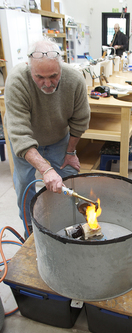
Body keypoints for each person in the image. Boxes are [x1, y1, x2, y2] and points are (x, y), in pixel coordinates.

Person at [4, 37, 90, 233]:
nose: (47, 83)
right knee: (25, 183)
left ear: (61, 66)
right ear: (29, 67)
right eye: (39, 77)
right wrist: (45, 169)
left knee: (69, 176)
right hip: (25, 143)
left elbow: (80, 121)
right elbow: (20, 135)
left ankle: (69, 225)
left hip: (58, 139)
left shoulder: (74, 80)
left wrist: (71, 152)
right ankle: (31, 233)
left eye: (53, 76)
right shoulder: (17, 81)